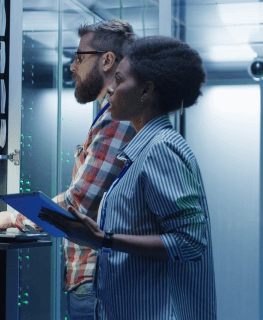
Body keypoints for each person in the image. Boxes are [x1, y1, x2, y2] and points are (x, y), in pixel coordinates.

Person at [40, 36, 217, 319]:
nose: (110, 88)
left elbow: (189, 241)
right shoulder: (145, 148)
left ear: (146, 90)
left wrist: (104, 238)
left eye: (119, 80)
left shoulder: (160, 148)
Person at [0, 20, 136, 319]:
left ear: (107, 60)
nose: (73, 67)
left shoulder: (116, 119)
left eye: (79, 57)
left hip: (97, 280)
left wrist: (11, 218)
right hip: (96, 280)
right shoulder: (111, 116)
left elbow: (78, 204)